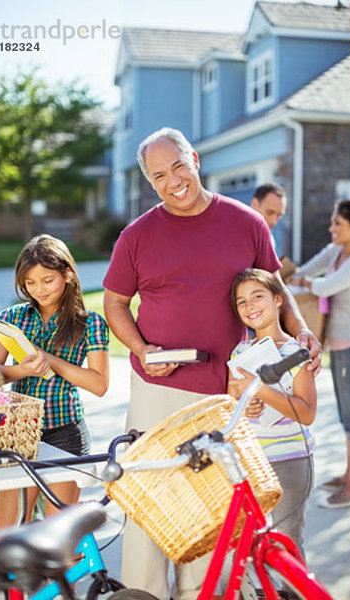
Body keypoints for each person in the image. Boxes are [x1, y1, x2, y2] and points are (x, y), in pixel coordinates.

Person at [103, 127, 320, 600]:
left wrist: (302, 330)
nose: (173, 180)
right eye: (159, 175)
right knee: (149, 498)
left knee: (209, 510)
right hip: (157, 389)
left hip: (227, 391)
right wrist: (142, 350)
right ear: (150, 182)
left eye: (178, 166)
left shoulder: (246, 222)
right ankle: (144, 593)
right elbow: (115, 303)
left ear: (195, 159)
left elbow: (276, 292)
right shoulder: (136, 235)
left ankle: (197, 595)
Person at [0, 234, 109, 528]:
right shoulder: (12, 318)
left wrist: (49, 360)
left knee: (59, 538)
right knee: (11, 532)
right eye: (30, 283)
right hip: (18, 435)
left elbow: (99, 384)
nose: (39, 289)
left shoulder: (89, 322)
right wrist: (24, 371)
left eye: (47, 280)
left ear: (67, 274)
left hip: (66, 432)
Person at [290, 200, 350, 508]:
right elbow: (303, 272)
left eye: (338, 223)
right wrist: (296, 280)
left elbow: (327, 286)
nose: (331, 228)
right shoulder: (336, 251)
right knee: (345, 416)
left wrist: (304, 282)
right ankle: (348, 475)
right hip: (338, 345)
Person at [227, 268, 316, 556]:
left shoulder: (296, 352)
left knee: (287, 544)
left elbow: (306, 413)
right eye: (241, 301)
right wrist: (245, 404)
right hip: (250, 462)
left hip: (290, 460)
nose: (250, 305)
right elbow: (231, 400)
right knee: (245, 545)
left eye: (257, 296)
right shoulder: (239, 353)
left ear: (278, 299)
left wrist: (261, 390)